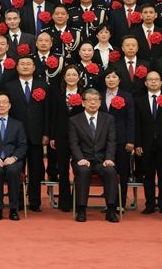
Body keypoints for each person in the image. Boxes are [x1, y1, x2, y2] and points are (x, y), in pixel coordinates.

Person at [67, 89, 119, 223]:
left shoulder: (108, 119)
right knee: (83, 171)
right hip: (83, 159)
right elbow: (74, 143)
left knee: (110, 171)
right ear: (83, 103)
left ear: (100, 103)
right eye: (89, 100)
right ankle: (81, 210)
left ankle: (111, 210)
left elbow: (111, 141)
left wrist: (109, 159)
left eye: (96, 100)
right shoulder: (74, 120)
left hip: (102, 160)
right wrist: (80, 159)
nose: (92, 103)